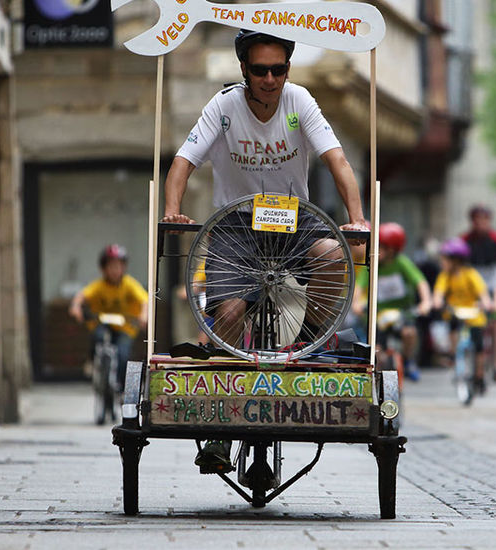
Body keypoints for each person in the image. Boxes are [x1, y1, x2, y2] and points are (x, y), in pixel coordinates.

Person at [162, 29, 368, 474]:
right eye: (260, 71)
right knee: (231, 313)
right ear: (244, 71)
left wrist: (357, 218)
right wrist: (173, 211)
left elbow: (337, 160)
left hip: (291, 215)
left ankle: (307, 342)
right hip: (235, 222)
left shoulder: (300, 101)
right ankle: (218, 431)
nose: (270, 80)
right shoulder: (223, 107)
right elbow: (183, 162)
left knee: (334, 255)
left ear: (288, 70)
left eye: (279, 70)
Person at [353, 222, 433, 381]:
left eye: (380, 247)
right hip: (378, 314)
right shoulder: (372, 265)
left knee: (409, 333)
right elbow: (359, 286)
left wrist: (426, 302)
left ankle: (409, 361)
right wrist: (356, 303)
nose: (375, 249)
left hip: (402, 312)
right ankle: (377, 374)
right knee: (376, 349)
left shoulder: (402, 263)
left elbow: (420, 282)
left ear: (391, 250)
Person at [68, 244, 148, 389]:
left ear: (124, 267)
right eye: (111, 266)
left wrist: (143, 315)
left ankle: (121, 387)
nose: (115, 271)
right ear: (104, 269)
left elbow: (144, 300)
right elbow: (82, 296)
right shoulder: (99, 286)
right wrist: (76, 307)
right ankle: (92, 360)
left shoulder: (129, 285)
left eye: (118, 266)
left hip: (125, 327)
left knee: (124, 354)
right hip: (103, 323)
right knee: (97, 336)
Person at [461, 205, 496, 381]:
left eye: (485, 220)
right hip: (473, 290)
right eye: (478, 220)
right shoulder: (465, 240)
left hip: (494, 286)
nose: (481, 223)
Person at [433, 238, 492, 389]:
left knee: (478, 345)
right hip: (455, 312)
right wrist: (437, 301)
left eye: (446, 259)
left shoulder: (470, 274)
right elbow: (439, 291)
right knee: (453, 328)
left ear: (456, 260)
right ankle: (453, 354)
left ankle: (479, 374)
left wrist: (486, 302)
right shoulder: (445, 276)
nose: (443, 262)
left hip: (473, 314)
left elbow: (482, 291)